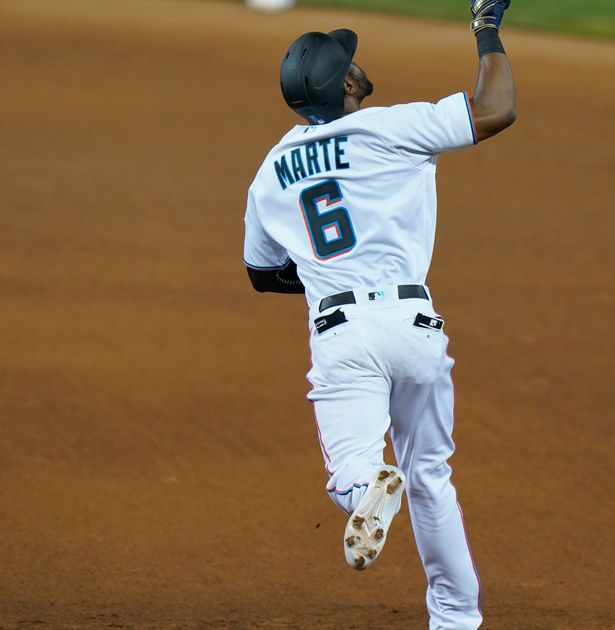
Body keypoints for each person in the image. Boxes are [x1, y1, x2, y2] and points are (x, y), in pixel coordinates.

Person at [241, 1, 514, 627]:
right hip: (416, 325)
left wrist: (321, 275)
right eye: (349, 60)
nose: (358, 62)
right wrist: (487, 28)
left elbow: (261, 274)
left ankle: (367, 492)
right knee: (430, 477)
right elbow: (497, 108)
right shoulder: (394, 127)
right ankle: (456, 619)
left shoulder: (270, 172)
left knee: (351, 473)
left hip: (341, 332)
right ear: (345, 86)